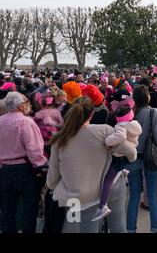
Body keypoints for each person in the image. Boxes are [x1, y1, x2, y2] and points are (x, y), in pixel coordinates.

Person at [46, 96, 127, 233]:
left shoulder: (59, 141)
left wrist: (51, 186)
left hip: (78, 195)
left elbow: (53, 179)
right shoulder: (105, 131)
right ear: (92, 113)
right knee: (118, 226)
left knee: (78, 228)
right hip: (112, 185)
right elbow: (124, 152)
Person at [0, 92, 47, 233]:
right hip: (25, 169)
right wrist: (41, 165)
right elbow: (35, 151)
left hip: (5, 169)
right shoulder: (26, 122)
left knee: (7, 209)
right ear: (20, 105)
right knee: (29, 209)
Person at [92, 98, 141, 221]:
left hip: (119, 156)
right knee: (118, 168)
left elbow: (121, 136)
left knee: (107, 180)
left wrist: (107, 141)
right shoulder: (135, 124)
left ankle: (102, 206)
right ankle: (124, 171)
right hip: (127, 155)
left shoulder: (121, 126)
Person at [126, 85, 157, 233]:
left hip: (132, 157)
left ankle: (131, 229)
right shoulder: (154, 112)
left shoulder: (130, 113)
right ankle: (155, 228)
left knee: (134, 196)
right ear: (148, 97)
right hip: (151, 157)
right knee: (153, 196)